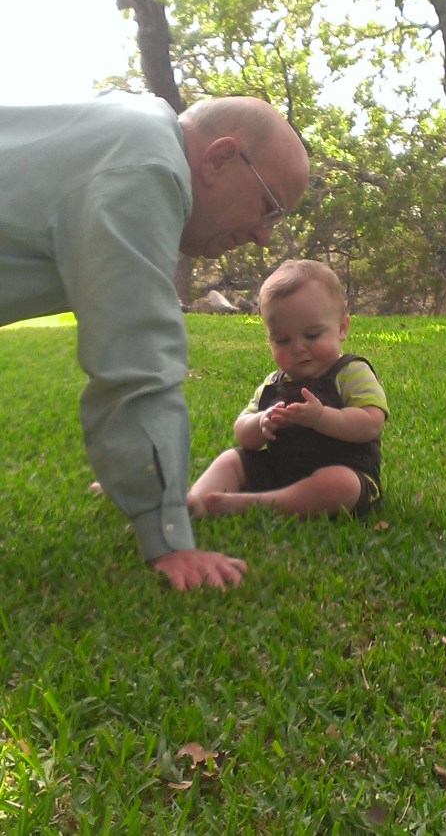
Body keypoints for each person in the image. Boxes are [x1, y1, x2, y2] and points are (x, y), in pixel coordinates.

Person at [0, 92, 310, 590]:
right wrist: (166, 533)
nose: (264, 236)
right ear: (220, 157)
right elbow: (136, 357)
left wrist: (138, 485)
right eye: (269, 207)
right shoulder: (147, 166)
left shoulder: (132, 129)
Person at [188, 259, 388, 520]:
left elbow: (371, 423)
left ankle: (258, 504)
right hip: (280, 471)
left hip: (345, 469)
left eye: (312, 335)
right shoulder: (274, 383)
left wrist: (320, 417)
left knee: (340, 484)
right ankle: (194, 503)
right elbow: (243, 434)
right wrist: (262, 421)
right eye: (283, 340)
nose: (297, 348)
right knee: (231, 460)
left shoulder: (351, 372)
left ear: (342, 328)